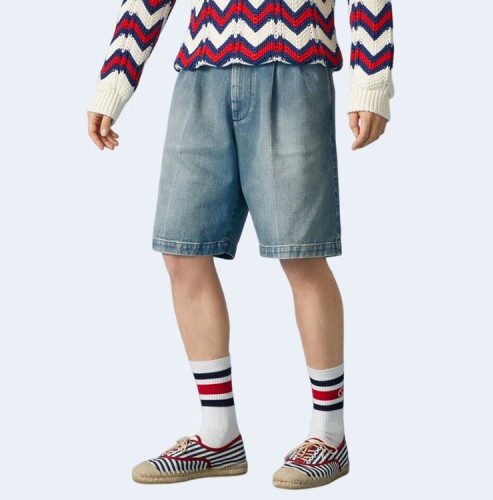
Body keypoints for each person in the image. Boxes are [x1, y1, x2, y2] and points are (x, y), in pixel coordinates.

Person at [87, 0, 395, 490]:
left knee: (301, 253)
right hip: (200, 72)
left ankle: (329, 434)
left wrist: (372, 79)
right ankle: (218, 436)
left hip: (294, 63)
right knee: (182, 250)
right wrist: (114, 79)